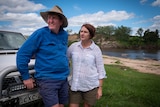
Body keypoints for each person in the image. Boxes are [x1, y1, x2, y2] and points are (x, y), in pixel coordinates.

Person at [16, 5, 70, 107]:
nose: (50, 20)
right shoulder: (40, 34)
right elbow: (22, 54)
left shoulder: (64, 35)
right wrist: (26, 77)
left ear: (61, 21)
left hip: (63, 78)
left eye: (53, 18)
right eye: (49, 18)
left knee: (62, 105)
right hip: (47, 79)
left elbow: (60, 53)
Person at [67, 23, 106, 107]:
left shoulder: (96, 49)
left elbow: (100, 70)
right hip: (75, 84)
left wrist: (100, 88)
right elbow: (65, 59)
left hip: (90, 85)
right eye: (81, 31)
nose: (82, 33)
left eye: (85, 32)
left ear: (91, 35)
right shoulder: (73, 46)